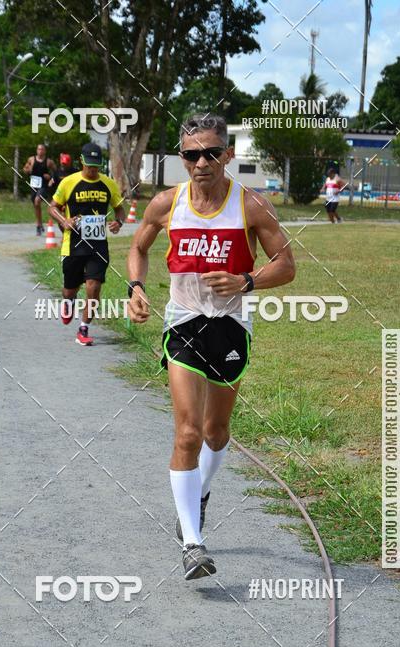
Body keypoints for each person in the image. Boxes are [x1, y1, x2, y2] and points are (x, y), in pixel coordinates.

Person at [126, 114, 296, 580]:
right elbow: (138, 248)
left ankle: (200, 491)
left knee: (216, 432)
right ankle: (192, 544)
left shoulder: (251, 206)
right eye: (191, 155)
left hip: (231, 327)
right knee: (188, 433)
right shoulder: (166, 203)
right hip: (183, 323)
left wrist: (246, 281)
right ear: (181, 158)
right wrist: (136, 287)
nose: (201, 163)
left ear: (228, 155)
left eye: (211, 153)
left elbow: (286, 265)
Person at [49, 143, 126, 346]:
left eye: (96, 166)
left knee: (94, 285)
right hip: (73, 245)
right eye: (89, 165)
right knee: (70, 289)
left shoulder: (109, 184)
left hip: (98, 246)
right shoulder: (68, 182)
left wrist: (118, 222)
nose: (92, 169)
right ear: (81, 162)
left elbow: (120, 209)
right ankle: (69, 301)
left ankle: (84, 328)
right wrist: (64, 220)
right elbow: (53, 207)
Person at [23, 143, 56, 235]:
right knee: (36, 205)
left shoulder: (49, 162)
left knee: (37, 201)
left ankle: (38, 225)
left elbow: (56, 173)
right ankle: (39, 225)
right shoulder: (31, 159)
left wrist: (50, 177)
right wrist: (28, 170)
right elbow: (25, 169)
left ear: (45, 151)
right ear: (36, 150)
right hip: (34, 185)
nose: (40, 151)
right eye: (38, 149)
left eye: (42, 149)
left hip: (43, 186)